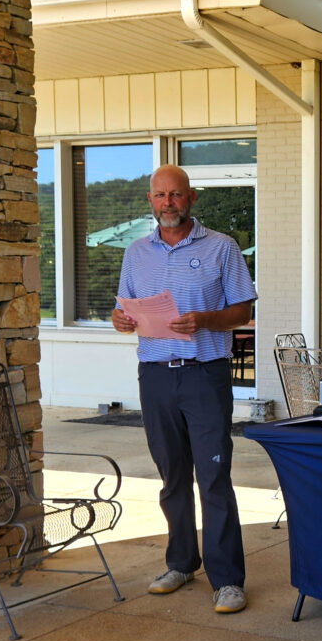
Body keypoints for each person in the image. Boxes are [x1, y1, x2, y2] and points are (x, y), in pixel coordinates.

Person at [111, 164, 256, 615]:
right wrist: (120, 320)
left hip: (204, 373)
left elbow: (243, 309)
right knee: (172, 474)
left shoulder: (222, 248)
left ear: (191, 198)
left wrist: (205, 320)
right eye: (160, 196)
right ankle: (180, 562)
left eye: (176, 195)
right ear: (150, 201)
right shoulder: (136, 253)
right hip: (155, 375)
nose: (167, 204)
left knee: (213, 476)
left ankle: (227, 579)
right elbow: (124, 308)